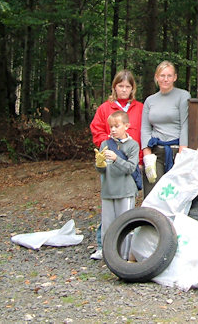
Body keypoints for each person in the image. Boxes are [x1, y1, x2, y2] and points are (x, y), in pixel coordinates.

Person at [89, 69, 143, 260]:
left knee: (126, 206)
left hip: (132, 160)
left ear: (132, 89)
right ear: (114, 87)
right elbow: (96, 129)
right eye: (120, 86)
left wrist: (141, 157)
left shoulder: (139, 108)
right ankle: (103, 246)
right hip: (110, 162)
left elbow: (142, 132)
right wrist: (108, 144)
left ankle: (125, 251)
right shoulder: (105, 108)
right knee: (108, 210)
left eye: (127, 86)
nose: (124, 90)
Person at [92, 111, 139, 261]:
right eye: (111, 126)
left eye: (116, 126)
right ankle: (108, 256)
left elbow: (131, 168)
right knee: (107, 226)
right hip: (108, 191)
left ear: (126, 126)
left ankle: (124, 257)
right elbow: (102, 170)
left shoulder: (133, 145)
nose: (113, 129)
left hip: (125, 191)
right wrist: (99, 164)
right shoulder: (105, 144)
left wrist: (116, 158)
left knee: (125, 225)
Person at [141, 61, 191, 195]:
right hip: (156, 151)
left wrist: (182, 153)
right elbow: (145, 128)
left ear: (175, 77)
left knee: (174, 193)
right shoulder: (150, 100)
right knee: (152, 191)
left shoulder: (183, 96)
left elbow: (185, 124)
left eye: (169, 75)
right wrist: (147, 157)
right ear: (156, 77)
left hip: (175, 150)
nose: (165, 79)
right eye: (162, 75)